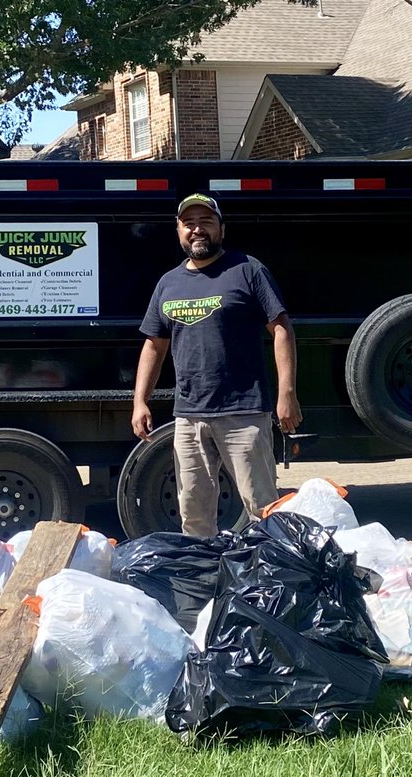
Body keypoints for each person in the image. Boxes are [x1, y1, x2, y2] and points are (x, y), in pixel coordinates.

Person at [131, 193, 302, 537]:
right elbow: (154, 344)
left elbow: (281, 329)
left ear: (221, 228)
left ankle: (268, 585)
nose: (197, 230)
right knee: (193, 515)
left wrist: (287, 393)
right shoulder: (168, 283)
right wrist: (139, 401)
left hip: (244, 412)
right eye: (189, 223)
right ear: (179, 231)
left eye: (206, 222)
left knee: (263, 509)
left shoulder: (248, 270)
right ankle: (202, 584)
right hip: (189, 417)